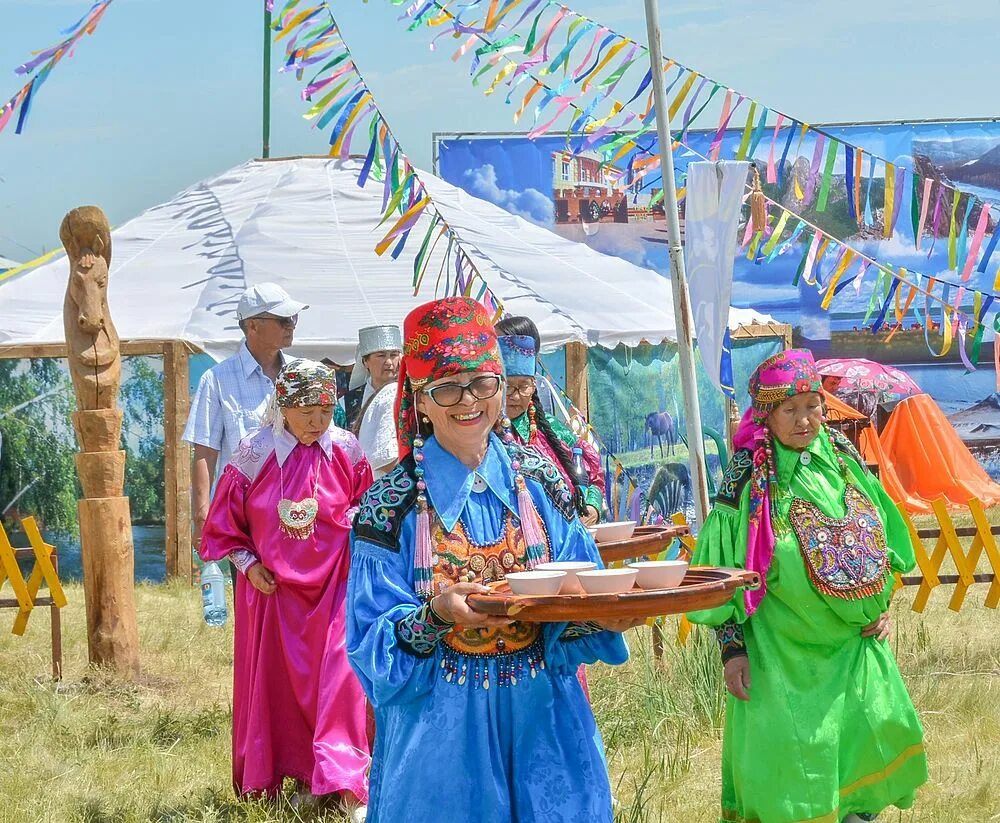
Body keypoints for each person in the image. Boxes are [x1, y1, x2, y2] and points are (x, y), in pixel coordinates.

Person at [347, 297, 640, 823]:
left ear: (503, 386)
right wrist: (435, 616)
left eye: (483, 382)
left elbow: (578, 590)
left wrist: (604, 614)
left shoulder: (545, 485)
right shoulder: (388, 509)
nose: (468, 400)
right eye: (447, 387)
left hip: (543, 722)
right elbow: (372, 650)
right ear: (421, 398)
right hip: (440, 740)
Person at [688, 349, 927, 823]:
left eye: (812, 406)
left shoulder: (841, 455)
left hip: (853, 648)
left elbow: (880, 530)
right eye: (789, 409)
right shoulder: (747, 479)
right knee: (794, 778)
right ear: (766, 414)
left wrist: (881, 600)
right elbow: (720, 576)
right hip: (783, 657)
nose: (804, 420)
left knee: (860, 756)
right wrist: (732, 648)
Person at [199, 359, 372, 819]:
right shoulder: (253, 453)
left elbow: (367, 508)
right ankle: (302, 777)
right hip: (274, 595)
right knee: (280, 688)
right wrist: (248, 564)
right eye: (307, 412)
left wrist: (357, 529)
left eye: (326, 411)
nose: (318, 422)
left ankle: (347, 783)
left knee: (340, 680)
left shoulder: (347, 450)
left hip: (336, 588)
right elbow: (223, 525)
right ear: (284, 406)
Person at [184, 282, 308, 551]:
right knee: (249, 590)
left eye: (293, 318)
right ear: (252, 326)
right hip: (244, 516)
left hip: (301, 509)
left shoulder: (302, 375)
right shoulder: (217, 380)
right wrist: (202, 514)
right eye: (283, 319)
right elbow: (205, 451)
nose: (291, 325)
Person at [495, 319, 605, 526]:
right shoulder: (481, 435)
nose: (515, 397)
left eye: (523, 387)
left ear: (533, 385)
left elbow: (593, 474)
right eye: (507, 387)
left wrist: (592, 507)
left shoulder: (554, 431)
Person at [351, 325, 402, 478]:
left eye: (393, 355)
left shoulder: (410, 396)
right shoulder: (346, 403)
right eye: (381, 355)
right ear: (365, 361)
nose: (388, 362)